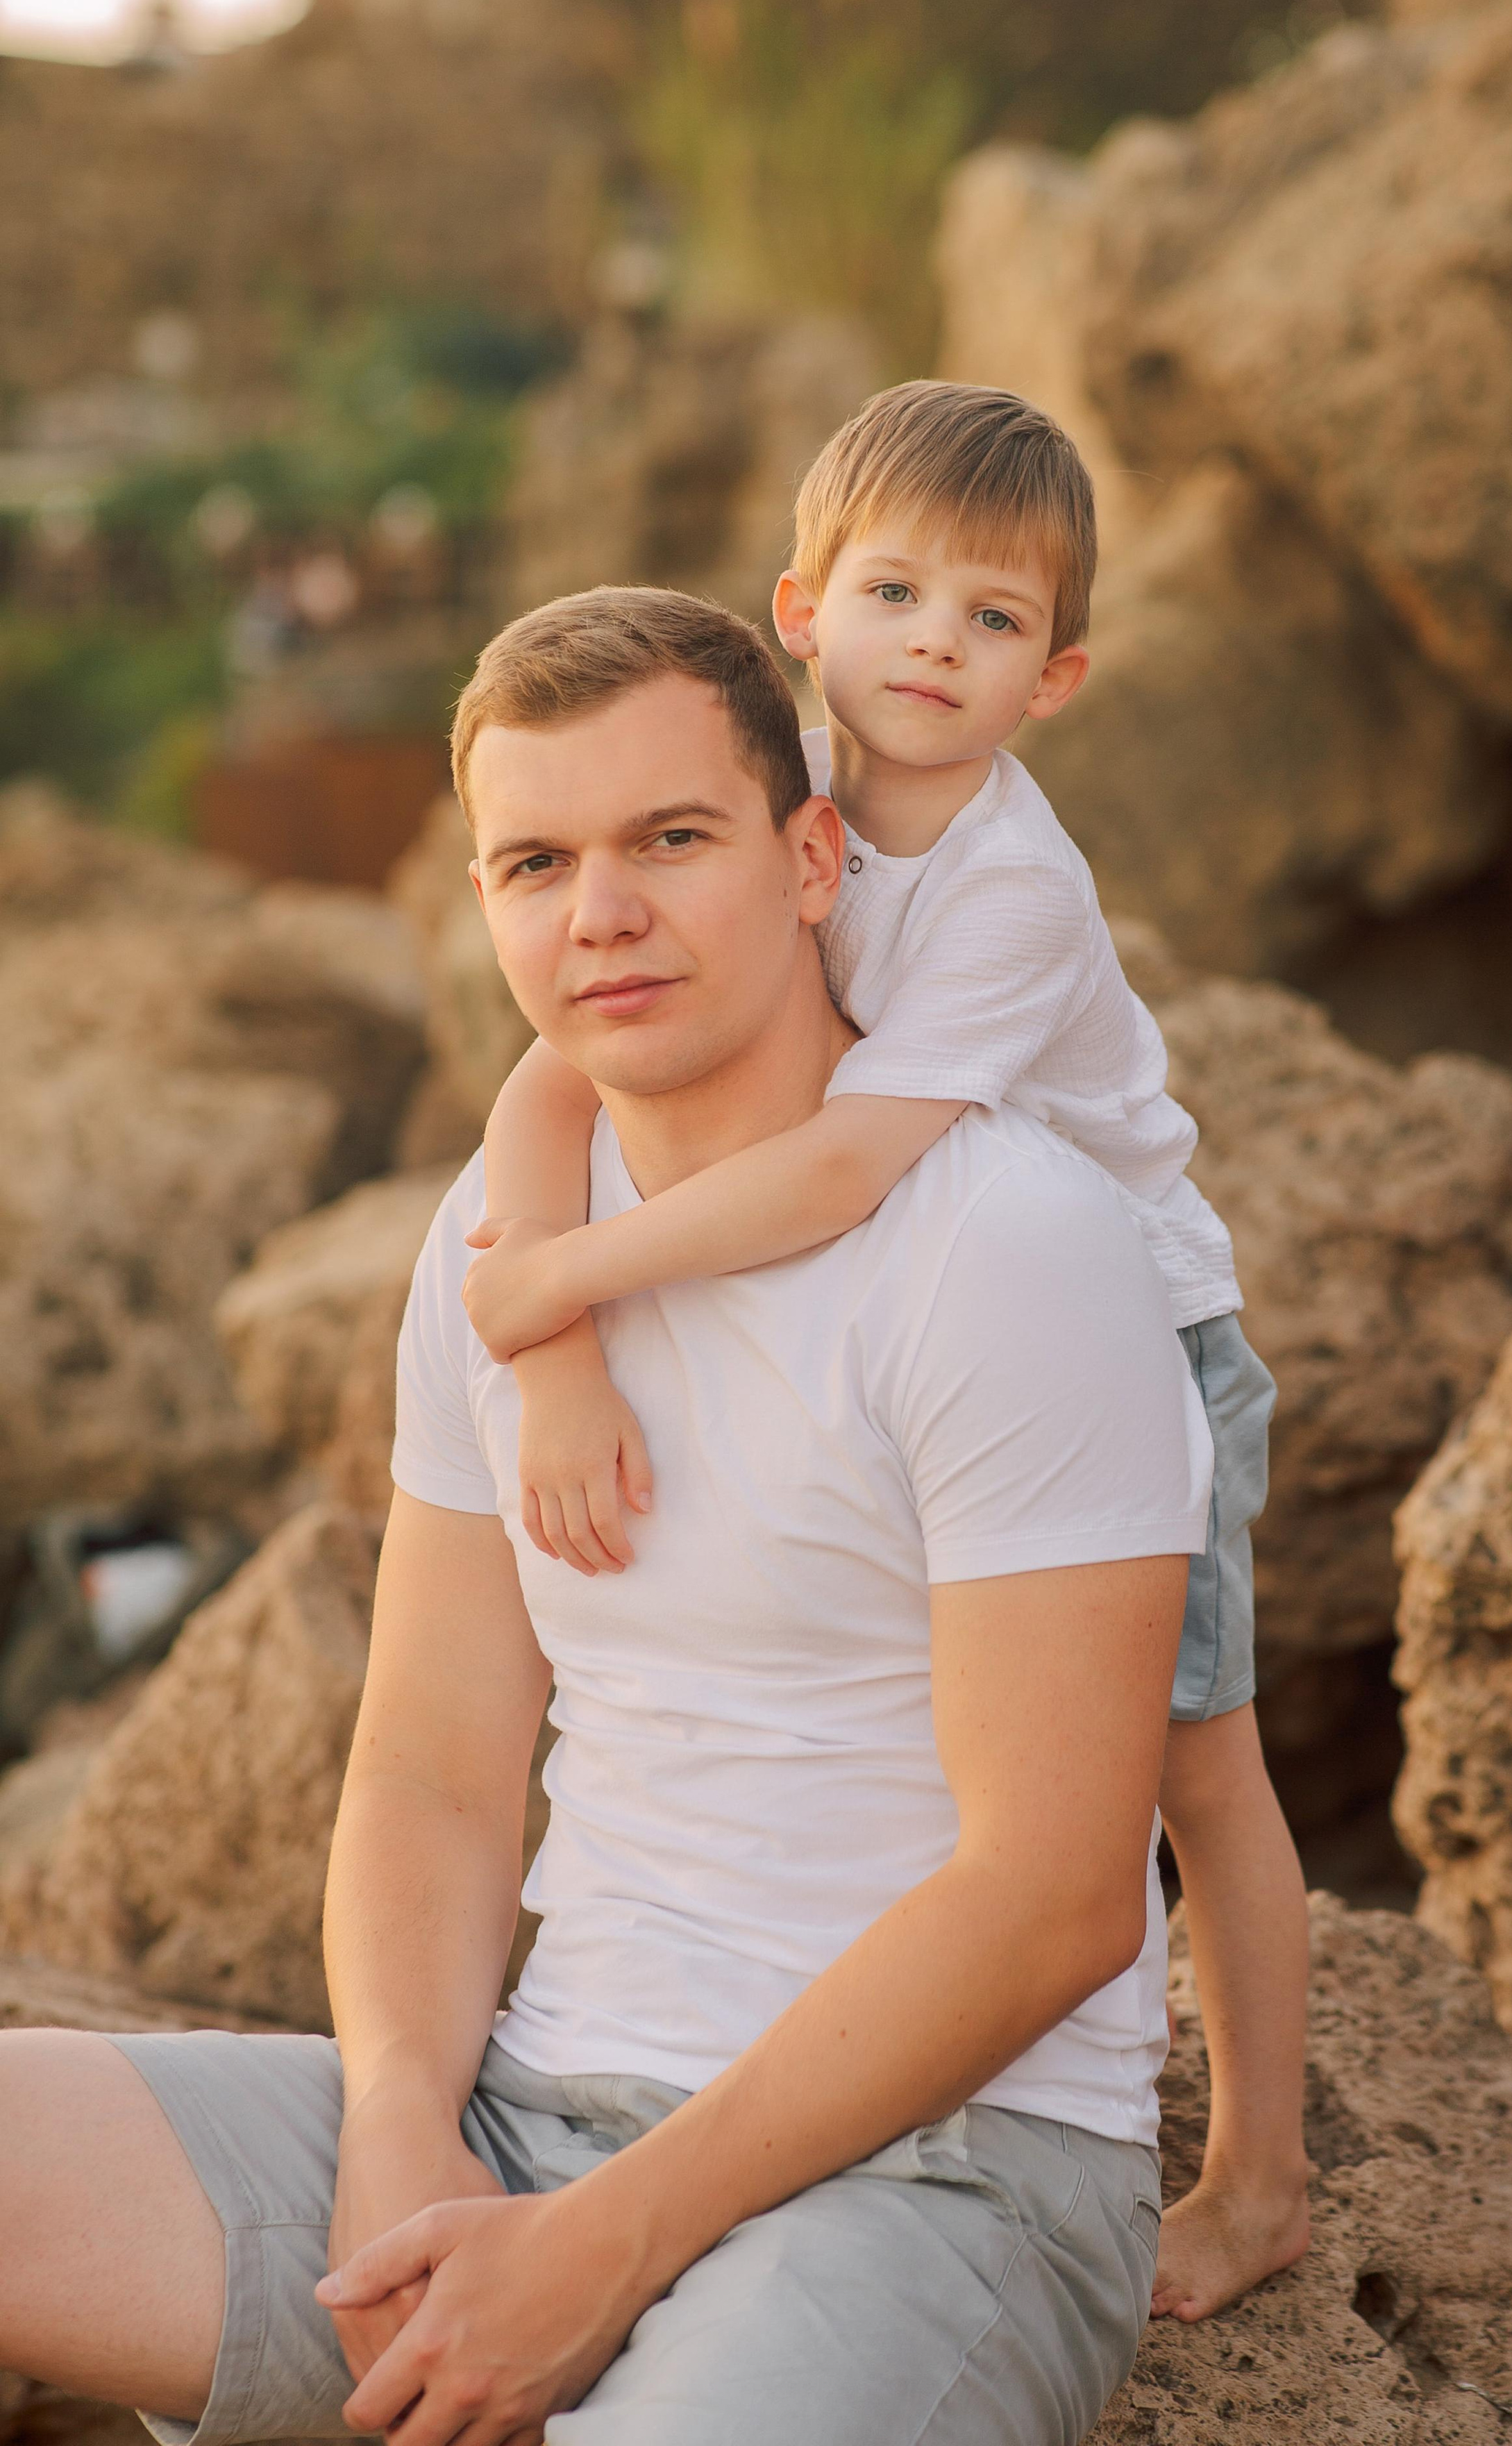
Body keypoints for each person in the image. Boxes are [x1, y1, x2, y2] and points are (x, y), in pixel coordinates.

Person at [0, 585, 1214, 2446]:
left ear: (815, 857)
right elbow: (425, 1765)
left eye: (669, 840)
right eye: (536, 864)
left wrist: (601, 2253)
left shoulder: (1006, 1247)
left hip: (936, 2178)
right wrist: (409, 2133)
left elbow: (1053, 1897)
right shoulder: (494, 1258)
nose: (603, 915)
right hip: (522, 2105)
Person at [465, 380, 1312, 2321]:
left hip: (1130, 1336)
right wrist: (555, 1337)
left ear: (1060, 676)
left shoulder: (1008, 888)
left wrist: (564, 1278)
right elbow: (550, 1079)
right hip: (907, 1328)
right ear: (801, 611)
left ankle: (1260, 2171)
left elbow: (853, 1166)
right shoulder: (787, 805)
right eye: (898, 592)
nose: (937, 642)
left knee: (1198, 1765)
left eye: (994, 620)